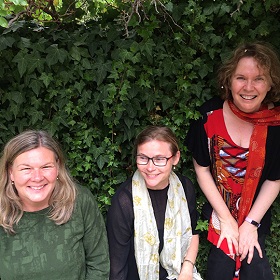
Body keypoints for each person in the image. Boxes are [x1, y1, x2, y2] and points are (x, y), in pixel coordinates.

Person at [186, 42, 280, 280]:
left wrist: (250, 224)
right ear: (228, 81)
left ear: (270, 84)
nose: (249, 87)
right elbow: (202, 169)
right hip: (220, 213)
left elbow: (274, 179)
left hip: (254, 215)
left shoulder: (277, 125)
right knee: (220, 269)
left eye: (259, 78)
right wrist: (227, 220)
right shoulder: (209, 117)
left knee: (254, 265)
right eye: (241, 78)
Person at [0, 130, 110, 280]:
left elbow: (99, 264)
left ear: (57, 167)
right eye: (26, 169)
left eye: (46, 167)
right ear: (11, 172)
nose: (37, 177)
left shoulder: (80, 201)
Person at [107, 125, 202, 280]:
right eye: (143, 158)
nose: (150, 167)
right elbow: (117, 266)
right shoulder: (124, 200)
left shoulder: (184, 187)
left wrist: (187, 270)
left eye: (159, 159)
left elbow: (193, 233)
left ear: (175, 158)